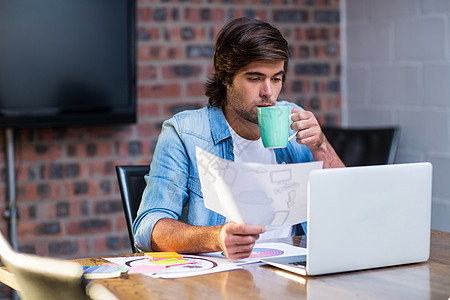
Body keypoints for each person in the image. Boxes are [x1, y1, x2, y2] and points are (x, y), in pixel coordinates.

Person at [133, 17, 344, 260]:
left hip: (294, 269)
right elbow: (148, 228)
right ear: (225, 77)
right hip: (222, 278)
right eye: (254, 78)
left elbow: (344, 206)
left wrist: (321, 146)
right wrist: (216, 237)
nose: (268, 92)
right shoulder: (184, 132)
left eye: (276, 78)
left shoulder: (294, 119)